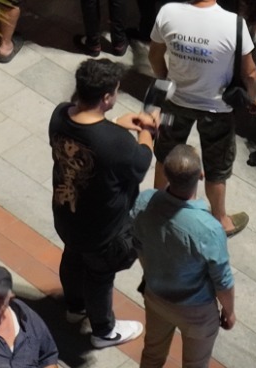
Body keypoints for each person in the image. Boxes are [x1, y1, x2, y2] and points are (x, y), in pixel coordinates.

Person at [146, 0, 256, 236]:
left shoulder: (168, 13)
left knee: (165, 155)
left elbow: (154, 55)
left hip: (175, 100)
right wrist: (254, 98)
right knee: (217, 166)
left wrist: (165, 78)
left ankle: (160, 209)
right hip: (217, 108)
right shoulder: (234, 24)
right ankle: (220, 219)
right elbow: (250, 73)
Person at [49, 58, 155, 349]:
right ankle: (103, 330)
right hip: (101, 230)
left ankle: (74, 307)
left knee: (72, 258)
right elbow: (141, 162)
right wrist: (146, 131)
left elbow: (91, 139)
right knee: (99, 277)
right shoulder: (116, 142)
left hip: (67, 214)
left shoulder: (59, 115)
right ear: (107, 97)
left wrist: (116, 126)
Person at [130, 144, 237, 368]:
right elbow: (223, 281)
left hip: (156, 297)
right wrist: (229, 312)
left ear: (166, 174)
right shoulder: (208, 228)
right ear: (200, 176)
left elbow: (139, 246)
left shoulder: (144, 201)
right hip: (197, 311)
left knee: (152, 354)